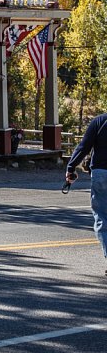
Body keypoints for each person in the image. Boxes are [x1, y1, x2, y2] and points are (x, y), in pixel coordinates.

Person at [65, 112, 107, 276]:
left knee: (102, 217)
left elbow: (84, 146)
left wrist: (70, 167)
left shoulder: (99, 121)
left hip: (101, 174)